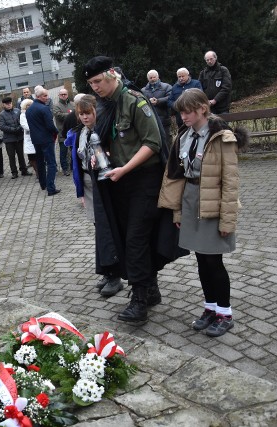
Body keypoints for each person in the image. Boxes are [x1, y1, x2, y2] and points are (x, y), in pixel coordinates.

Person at [158, 89, 247, 337]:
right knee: (200, 260)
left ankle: (225, 314)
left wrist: (228, 218)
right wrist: (177, 212)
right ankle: (210, 308)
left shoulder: (222, 138)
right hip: (190, 201)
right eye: (181, 112)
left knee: (214, 261)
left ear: (202, 109)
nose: (183, 117)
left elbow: (230, 182)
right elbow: (176, 177)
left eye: (187, 112)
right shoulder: (184, 136)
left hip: (213, 203)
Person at [84, 55, 164, 324]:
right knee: (129, 237)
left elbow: (152, 142)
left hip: (144, 179)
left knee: (136, 239)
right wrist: (100, 155)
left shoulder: (132, 99)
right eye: (90, 83)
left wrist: (126, 168)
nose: (95, 87)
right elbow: (110, 140)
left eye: (97, 81)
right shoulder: (108, 105)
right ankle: (150, 289)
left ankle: (139, 299)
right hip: (121, 182)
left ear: (111, 74)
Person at [67, 95, 123, 297]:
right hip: (89, 185)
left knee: (106, 228)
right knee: (98, 228)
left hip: (104, 185)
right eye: (81, 114)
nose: (84, 117)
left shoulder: (103, 130)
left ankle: (114, 273)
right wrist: (80, 191)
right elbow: (77, 163)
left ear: (95, 111)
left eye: (88, 113)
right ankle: (107, 271)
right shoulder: (81, 133)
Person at [26, 85, 60, 196]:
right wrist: (56, 132)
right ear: (39, 96)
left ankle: (43, 184)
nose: (47, 98)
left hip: (36, 140)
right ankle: (51, 188)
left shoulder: (29, 109)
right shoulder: (44, 109)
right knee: (51, 164)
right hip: (46, 139)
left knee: (40, 162)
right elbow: (50, 126)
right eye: (45, 96)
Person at [0, 96, 30, 179]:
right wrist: (13, 129)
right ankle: (14, 172)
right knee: (11, 156)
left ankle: (24, 170)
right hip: (9, 139)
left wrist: (19, 128)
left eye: (10, 103)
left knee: (21, 155)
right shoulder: (2, 114)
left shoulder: (17, 111)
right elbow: (2, 126)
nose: (9, 105)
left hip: (19, 137)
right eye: (7, 104)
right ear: (4, 105)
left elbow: (22, 121)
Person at [142, 70, 173, 138]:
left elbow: (171, 98)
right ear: (148, 79)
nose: (153, 79)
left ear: (158, 77)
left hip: (164, 120)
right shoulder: (143, 90)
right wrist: (148, 102)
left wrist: (158, 101)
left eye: (154, 77)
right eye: (151, 78)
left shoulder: (167, 87)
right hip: (150, 121)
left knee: (166, 139)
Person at [53, 88, 74, 176]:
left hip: (73, 131)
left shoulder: (72, 104)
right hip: (62, 132)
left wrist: (70, 114)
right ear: (59, 95)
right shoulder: (56, 105)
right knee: (63, 152)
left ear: (67, 95)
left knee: (74, 150)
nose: (63, 96)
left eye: (65, 94)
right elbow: (59, 115)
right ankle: (65, 168)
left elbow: (77, 113)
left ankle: (73, 167)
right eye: (62, 94)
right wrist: (71, 114)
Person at [20, 99, 37, 176]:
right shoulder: (22, 115)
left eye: (30, 105)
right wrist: (35, 128)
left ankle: (40, 171)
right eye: (27, 105)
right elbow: (25, 126)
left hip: (37, 137)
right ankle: (37, 172)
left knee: (38, 156)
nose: (29, 106)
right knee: (32, 157)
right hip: (29, 138)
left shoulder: (35, 113)